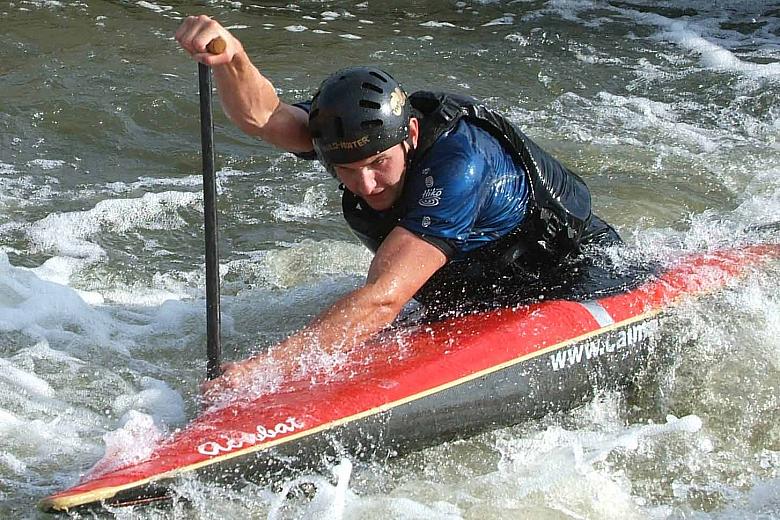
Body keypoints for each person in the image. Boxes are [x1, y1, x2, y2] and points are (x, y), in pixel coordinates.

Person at [175, 16, 623, 399]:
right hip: (471, 293)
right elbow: (265, 117)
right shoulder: (348, 131)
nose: (365, 183)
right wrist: (232, 57)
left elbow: (382, 301)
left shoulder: (460, 167)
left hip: (571, 277)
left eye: (377, 164)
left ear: (409, 134)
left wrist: (261, 374)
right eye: (346, 169)